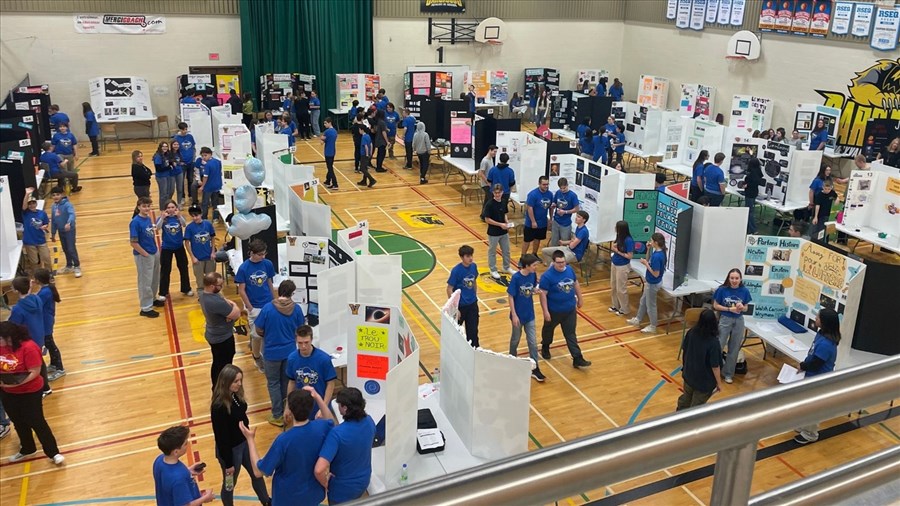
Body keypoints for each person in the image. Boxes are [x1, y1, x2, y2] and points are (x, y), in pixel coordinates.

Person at [241, 388, 334, 506]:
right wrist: (317, 397)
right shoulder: (321, 427)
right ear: (311, 407)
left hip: (287, 498)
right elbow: (331, 421)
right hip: (312, 494)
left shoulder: (283, 440)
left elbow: (259, 472)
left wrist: (250, 440)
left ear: (290, 409)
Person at [0, 322, 64, 464]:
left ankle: (53, 452)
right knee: (18, 421)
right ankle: (28, 448)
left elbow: (35, 372)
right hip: (7, 392)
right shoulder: (1, 347)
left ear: (9, 337)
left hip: (29, 391)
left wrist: (14, 383)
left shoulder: (28, 347)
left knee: (37, 421)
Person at [210, 365, 270, 506]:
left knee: (257, 473)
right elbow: (221, 437)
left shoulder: (235, 395)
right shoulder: (219, 406)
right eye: (236, 381)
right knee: (230, 484)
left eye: (240, 380)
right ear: (226, 382)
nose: (239, 384)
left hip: (244, 444)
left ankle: (266, 502)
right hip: (230, 451)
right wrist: (229, 463)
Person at [255, 280, 306, 427]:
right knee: (287, 382)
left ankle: (277, 415)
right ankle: (287, 410)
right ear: (292, 293)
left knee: (273, 383)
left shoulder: (267, 308)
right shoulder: (296, 309)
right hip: (290, 352)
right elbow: (300, 329)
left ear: (279, 291)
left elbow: (258, 329)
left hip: (271, 352)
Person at [315, 388, 376, 504]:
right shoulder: (369, 421)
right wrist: (319, 399)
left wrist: (325, 482)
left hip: (341, 490)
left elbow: (319, 470)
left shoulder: (337, 434)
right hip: (363, 481)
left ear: (345, 408)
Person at [793, 308, 841, 444]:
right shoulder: (821, 334)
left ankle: (810, 433)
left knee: (813, 407)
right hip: (811, 375)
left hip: (819, 379)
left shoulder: (826, 343)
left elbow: (816, 364)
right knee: (805, 403)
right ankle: (803, 426)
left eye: (818, 317)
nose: (816, 319)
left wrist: (802, 366)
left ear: (824, 322)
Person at [539, 250, 591, 368]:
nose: (562, 265)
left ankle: (577, 357)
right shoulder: (547, 277)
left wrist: (580, 298)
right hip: (554, 311)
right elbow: (543, 295)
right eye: (559, 263)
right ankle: (545, 346)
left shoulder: (569, 270)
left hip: (569, 310)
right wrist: (545, 311)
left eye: (563, 262)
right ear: (553, 262)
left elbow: (576, 283)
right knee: (548, 330)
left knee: (571, 334)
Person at [236, 240, 277, 373]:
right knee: (256, 336)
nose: (263, 257)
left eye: (264, 254)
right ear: (252, 253)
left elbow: (269, 282)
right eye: (260, 254)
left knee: (268, 334)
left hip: (268, 304)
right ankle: (256, 356)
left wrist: (274, 300)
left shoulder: (267, 264)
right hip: (254, 306)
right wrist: (250, 308)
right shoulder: (243, 268)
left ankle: (267, 358)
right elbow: (241, 290)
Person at [8, 276, 51, 396]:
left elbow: (13, 326)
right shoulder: (37, 299)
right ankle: (46, 387)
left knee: (32, 366)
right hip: (39, 336)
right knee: (39, 362)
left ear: (16, 290)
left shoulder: (18, 309)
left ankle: (42, 388)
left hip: (28, 341)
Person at [153, 425, 214, 505]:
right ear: (175, 452)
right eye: (185, 444)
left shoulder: (159, 460)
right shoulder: (179, 479)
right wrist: (205, 498)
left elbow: (168, 480)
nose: (188, 444)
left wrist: (188, 472)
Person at [285, 325, 337, 420]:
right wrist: (287, 406)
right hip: (301, 407)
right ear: (296, 341)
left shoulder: (323, 359)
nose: (303, 346)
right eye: (300, 343)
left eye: (306, 342)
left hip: (319, 406)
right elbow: (292, 382)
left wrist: (323, 407)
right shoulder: (292, 358)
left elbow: (331, 384)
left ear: (312, 339)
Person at [508, 254, 546, 382]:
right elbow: (511, 296)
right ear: (527, 266)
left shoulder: (533, 275)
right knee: (515, 340)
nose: (536, 267)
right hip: (518, 316)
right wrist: (514, 314)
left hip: (529, 314)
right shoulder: (516, 278)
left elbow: (532, 287)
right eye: (534, 265)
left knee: (532, 342)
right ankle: (512, 360)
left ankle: (535, 368)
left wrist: (535, 290)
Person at [676, 309, 724, 410]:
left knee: (685, 399)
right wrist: (719, 383)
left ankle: (678, 419)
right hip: (704, 381)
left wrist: (685, 367)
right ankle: (690, 423)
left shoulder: (691, 332)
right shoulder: (713, 342)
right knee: (696, 407)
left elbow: (684, 350)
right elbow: (715, 366)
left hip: (689, 375)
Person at [198, 272, 239, 386]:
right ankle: (223, 388)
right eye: (219, 285)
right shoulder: (216, 302)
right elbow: (236, 314)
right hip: (222, 338)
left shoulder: (203, 294)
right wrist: (234, 305)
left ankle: (216, 386)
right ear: (211, 286)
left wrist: (228, 310)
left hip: (212, 334)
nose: (221, 287)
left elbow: (223, 299)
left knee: (216, 362)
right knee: (225, 365)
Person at [712, 268, 752, 384]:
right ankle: (713, 371)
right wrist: (729, 309)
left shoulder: (744, 291)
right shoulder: (722, 290)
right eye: (732, 278)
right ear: (728, 279)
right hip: (725, 319)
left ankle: (728, 373)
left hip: (739, 320)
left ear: (740, 279)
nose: (734, 280)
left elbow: (746, 308)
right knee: (719, 345)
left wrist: (741, 307)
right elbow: (715, 305)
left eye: (737, 278)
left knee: (734, 348)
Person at [627, 232, 667, 334]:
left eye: (651, 241)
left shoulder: (658, 256)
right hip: (650, 282)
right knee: (643, 301)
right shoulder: (658, 252)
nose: (650, 242)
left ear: (656, 242)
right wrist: (648, 249)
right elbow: (648, 259)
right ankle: (638, 319)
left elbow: (656, 274)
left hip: (653, 283)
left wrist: (646, 265)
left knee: (651, 306)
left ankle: (653, 326)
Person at [131, 196, 163, 318]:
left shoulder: (148, 219)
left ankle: (153, 299)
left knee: (154, 278)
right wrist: (144, 253)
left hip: (153, 251)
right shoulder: (135, 222)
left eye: (148, 206)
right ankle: (145, 307)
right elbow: (133, 242)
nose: (146, 208)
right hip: (144, 255)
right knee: (145, 281)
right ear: (138, 207)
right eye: (144, 206)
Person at [157, 200, 193, 298]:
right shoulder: (163, 218)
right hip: (166, 248)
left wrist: (179, 216)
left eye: (172, 207)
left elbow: (184, 224)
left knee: (183, 268)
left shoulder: (178, 218)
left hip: (179, 247)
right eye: (168, 208)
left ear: (176, 208)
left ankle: (186, 288)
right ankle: (163, 292)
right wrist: (162, 218)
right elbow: (157, 227)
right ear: (165, 209)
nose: (171, 209)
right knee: (165, 270)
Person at [34, 269, 65, 382]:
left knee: (50, 344)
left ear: (38, 280)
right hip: (46, 320)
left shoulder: (45, 292)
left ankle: (60, 368)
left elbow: (37, 305)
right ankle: (53, 364)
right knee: (49, 343)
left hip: (45, 322)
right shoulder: (46, 290)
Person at [447, 245, 480, 348]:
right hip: (460, 307)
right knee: (456, 332)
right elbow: (449, 289)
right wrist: (455, 308)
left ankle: (475, 350)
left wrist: (474, 295)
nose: (470, 258)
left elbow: (474, 280)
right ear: (462, 257)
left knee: (473, 331)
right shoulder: (456, 271)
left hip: (472, 305)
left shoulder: (474, 266)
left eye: (471, 255)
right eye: (467, 256)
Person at [485, 184, 516, 279]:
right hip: (493, 232)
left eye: (499, 192)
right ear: (493, 193)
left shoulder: (503, 201)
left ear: (502, 192)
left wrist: (507, 223)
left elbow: (504, 214)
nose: (497, 194)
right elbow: (487, 219)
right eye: (496, 193)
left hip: (503, 232)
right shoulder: (489, 204)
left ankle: (506, 267)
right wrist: (500, 224)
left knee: (506, 251)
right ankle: (493, 269)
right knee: (492, 252)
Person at [49, 186, 81, 277]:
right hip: (61, 231)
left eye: (58, 195)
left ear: (62, 194)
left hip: (69, 231)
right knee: (65, 249)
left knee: (71, 248)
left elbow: (72, 214)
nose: (55, 197)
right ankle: (69, 266)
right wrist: (53, 233)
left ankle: (77, 266)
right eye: (53, 195)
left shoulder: (67, 205)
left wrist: (69, 223)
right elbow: (54, 220)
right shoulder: (53, 206)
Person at [184, 205, 217, 294]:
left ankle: (211, 294)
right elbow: (187, 243)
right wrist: (192, 257)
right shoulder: (189, 228)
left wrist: (213, 252)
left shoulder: (208, 224)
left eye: (196, 215)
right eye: (193, 216)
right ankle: (201, 295)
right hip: (198, 258)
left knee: (210, 278)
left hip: (209, 257)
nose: (195, 218)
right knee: (200, 280)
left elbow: (212, 237)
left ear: (201, 214)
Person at [20, 188, 51, 276]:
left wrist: (45, 226)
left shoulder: (42, 213)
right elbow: (24, 205)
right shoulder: (26, 213)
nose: (32, 205)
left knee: (46, 258)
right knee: (34, 261)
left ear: (36, 203)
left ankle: (49, 274)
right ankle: (36, 276)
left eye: (33, 203)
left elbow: (46, 223)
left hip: (41, 240)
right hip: (29, 241)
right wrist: (27, 194)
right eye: (30, 204)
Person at [523, 176, 553, 256]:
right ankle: (523, 257)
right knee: (527, 240)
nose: (546, 186)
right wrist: (533, 221)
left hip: (542, 222)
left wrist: (550, 219)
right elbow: (529, 208)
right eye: (544, 184)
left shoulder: (550, 194)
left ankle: (534, 254)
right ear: (539, 184)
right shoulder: (533, 194)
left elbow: (551, 207)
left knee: (538, 239)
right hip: (531, 223)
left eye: (547, 184)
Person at [609, 220, 634, 317]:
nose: (615, 228)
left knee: (621, 289)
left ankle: (625, 308)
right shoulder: (619, 236)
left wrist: (617, 251)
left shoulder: (628, 240)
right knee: (613, 286)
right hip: (615, 263)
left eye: (617, 227)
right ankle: (615, 305)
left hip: (622, 266)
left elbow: (629, 256)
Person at [550, 177, 580, 246]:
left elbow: (577, 209)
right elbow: (554, 202)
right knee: (554, 243)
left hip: (565, 224)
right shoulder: (558, 192)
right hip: (556, 221)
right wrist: (554, 205)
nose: (562, 190)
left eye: (564, 188)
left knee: (564, 244)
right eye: (561, 188)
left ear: (567, 185)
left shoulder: (572, 195)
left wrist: (565, 212)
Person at [51, 124, 82, 192]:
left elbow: (74, 145)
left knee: (71, 170)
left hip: (69, 154)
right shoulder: (56, 136)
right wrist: (50, 153)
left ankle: (73, 186)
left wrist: (76, 154)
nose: (62, 128)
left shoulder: (71, 135)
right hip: (60, 154)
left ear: (66, 127)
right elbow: (53, 145)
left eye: (64, 127)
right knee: (63, 171)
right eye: (61, 127)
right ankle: (63, 185)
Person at [197, 147, 223, 222]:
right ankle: (216, 218)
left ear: (210, 154)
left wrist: (202, 186)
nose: (204, 157)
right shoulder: (218, 162)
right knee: (215, 202)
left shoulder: (207, 165)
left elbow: (205, 177)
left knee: (205, 203)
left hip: (208, 187)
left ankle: (204, 217)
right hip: (217, 185)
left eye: (205, 155)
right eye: (202, 156)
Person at [173, 123, 197, 202]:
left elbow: (193, 147)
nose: (185, 131)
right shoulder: (176, 138)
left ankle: (190, 195)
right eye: (183, 129)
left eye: (186, 129)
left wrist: (193, 158)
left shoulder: (190, 137)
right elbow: (175, 151)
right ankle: (182, 197)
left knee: (190, 179)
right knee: (181, 181)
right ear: (179, 129)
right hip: (182, 163)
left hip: (190, 162)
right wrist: (179, 161)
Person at [811, 179, 837, 243]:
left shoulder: (832, 193)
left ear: (831, 188)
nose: (827, 190)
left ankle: (823, 242)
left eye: (829, 189)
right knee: (817, 229)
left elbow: (836, 197)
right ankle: (816, 241)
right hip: (820, 215)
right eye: (825, 189)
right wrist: (815, 217)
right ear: (823, 187)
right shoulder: (819, 195)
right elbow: (817, 206)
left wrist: (837, 200)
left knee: (825, 230)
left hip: (827, 215)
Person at [744, 158, 764, 234]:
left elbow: (752, 182)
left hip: (749, 193)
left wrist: (746, 185)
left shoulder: (752, 173)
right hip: (754, 192)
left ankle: (753, 229)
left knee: (749, 211)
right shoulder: (758, 171)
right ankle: (749, 228)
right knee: (750, 210)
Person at [153, 141, 176, 209]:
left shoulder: (167, 154)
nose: (165, 148)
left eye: (166, 146)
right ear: (160, 147)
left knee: (168, 192)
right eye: (163, 146)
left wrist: (172, 164)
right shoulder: (158, 156)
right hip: (161, 177)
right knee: (163, 194)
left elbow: (170, 162)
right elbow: (158, 169)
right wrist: (169, 167)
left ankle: (167, 207)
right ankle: (162, 208)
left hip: (167, 175)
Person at [478, 145, 498, 219]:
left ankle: (483, 215)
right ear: (490, 150)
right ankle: (488, 216)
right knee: (491, 200)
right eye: (494, 151)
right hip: (486, 184)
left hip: (490, 184)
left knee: (487, 200)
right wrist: (487, 182)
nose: (495, 153)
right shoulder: (485, 161)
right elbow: (481, 173)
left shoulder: (491, 159)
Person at [319, 117, 339, 190]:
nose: (324, 125)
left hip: (328, 152)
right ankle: (328, 181)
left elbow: (321, 141)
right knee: (330, 166)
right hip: (333, 151)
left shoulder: (327, 132)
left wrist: (322, 138)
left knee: (330, 168)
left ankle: (335, 184)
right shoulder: (335, 131)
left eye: (325, 123)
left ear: (329, 123)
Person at [169, 140, 186, 207]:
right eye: (174, 144)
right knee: (171, 190)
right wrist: (172, 163)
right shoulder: (169, 153)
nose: (176, 146)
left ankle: (179, 204)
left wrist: (180, 163)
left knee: (180, 189)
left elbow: (182, 161)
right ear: (172, 145)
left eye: (177, 145)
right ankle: (168, 203)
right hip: (171, 173)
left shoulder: (179, 153)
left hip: (179, 172)